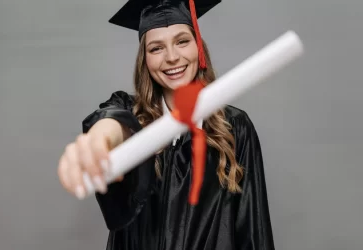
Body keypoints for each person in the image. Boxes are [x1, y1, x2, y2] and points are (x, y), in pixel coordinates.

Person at [58, 0, 275, 249]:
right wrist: (99, 140)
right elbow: (111, 123)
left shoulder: (235, 128)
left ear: (198, 47)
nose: (172, 57)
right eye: (156, 48)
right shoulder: (132, 115)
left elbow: (253, 232)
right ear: (145, 59)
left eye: (182, 41)